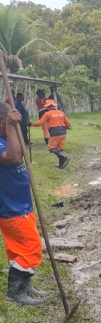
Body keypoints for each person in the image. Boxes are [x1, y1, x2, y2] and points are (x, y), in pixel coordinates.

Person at [0, 103, 48, 306]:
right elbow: (13, 158)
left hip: (20, 203)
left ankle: (24, 286)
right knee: (31, 247)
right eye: (7, 122)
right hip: (11, 207)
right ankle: (14, 292)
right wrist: (11, 127)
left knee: (18, 248)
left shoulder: (5, 136)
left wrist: (13, 127)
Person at [31, 100, 71, 169]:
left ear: (48, 107)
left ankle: (64, 157)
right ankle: (61, 165)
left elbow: (40, 123)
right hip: (63, 132)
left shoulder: (47, 114)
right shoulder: (61, 113)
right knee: (60, 149)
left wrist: (31, 124)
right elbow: (68, 123)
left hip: (55, 132)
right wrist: (65, 127)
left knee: (51, 148)